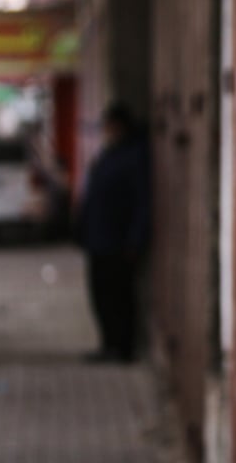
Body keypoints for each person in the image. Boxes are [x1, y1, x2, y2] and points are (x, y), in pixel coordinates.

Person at [76, 102, 150, 363]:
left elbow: (142, 202)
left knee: (120, 298)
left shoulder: (133, 156)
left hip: (118, 242)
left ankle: (122, 348)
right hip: (98, 239)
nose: (106, 131)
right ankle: (108, 345)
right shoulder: (110, 154)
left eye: (110, 126)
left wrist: (134, 240)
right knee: (101, 296)